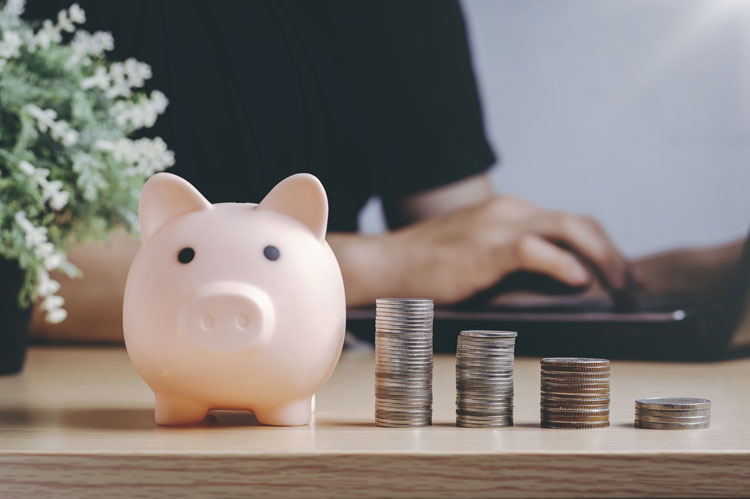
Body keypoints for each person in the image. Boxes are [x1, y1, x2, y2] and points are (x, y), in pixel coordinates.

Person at [26, 0, 743, 342]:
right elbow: (19, 279)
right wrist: (376, 265)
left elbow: (462, 256)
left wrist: (695, 276)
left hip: (309, 411)